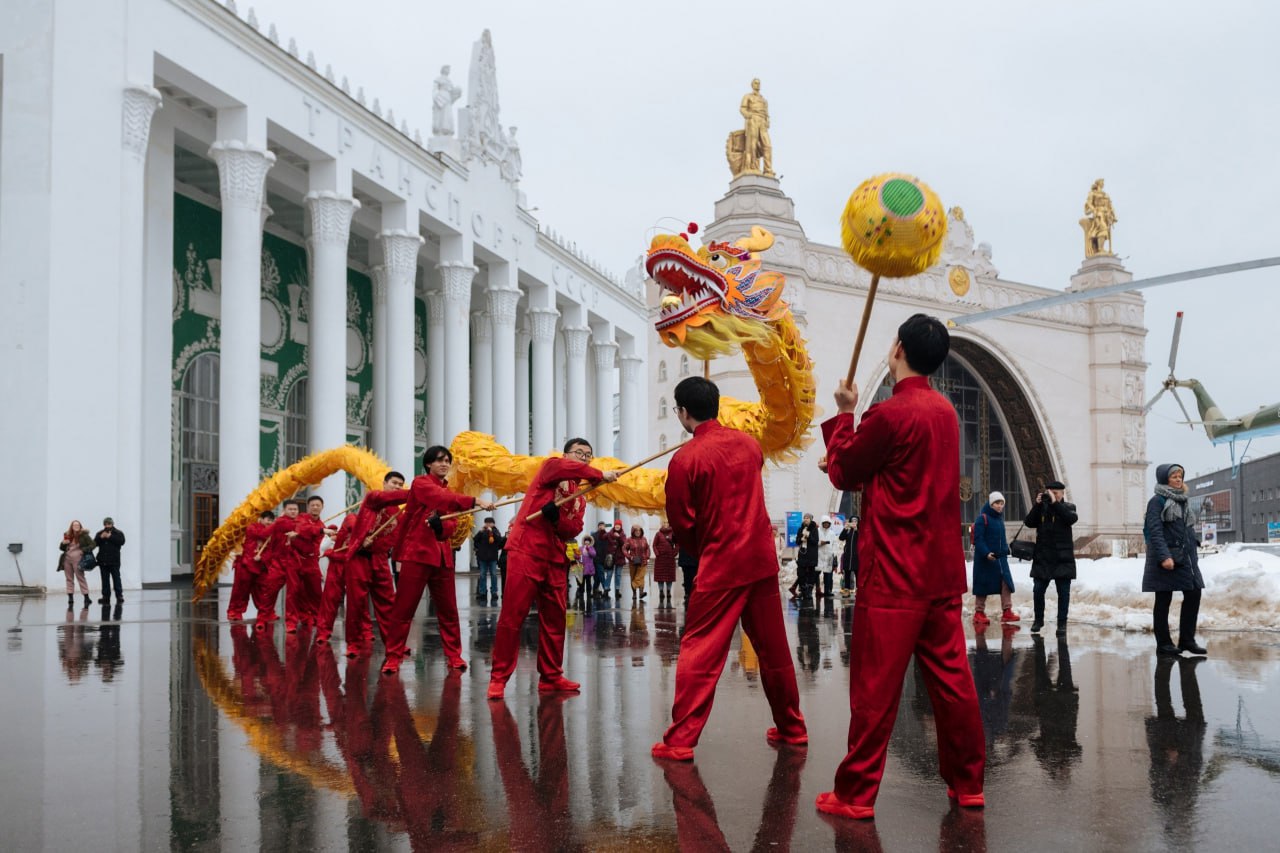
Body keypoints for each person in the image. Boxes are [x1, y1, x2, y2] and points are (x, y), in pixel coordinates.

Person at [816, 313, 985, 820]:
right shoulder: (945, 413)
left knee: (875, 689)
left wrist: (845, 418)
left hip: (893, 572)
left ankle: (856, 793)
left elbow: (846, 471)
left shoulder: (888, 414)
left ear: (897, 350)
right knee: (953, 684)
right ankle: (968, 782)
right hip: (939, 571)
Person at [652, 377, 806, 761]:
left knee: (700, 651)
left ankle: (682, 739)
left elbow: (682, 521)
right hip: (760, 559)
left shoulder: (685, 459)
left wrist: (702, 549)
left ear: (683, 413)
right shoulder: (749, 445)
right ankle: (792, 728)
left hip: (721, 563)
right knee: (774, 650)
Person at [488, 438, 618, 700]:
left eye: (588, 455)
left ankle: (551, 676)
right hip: (527, 549)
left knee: (555, 618)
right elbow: (567, 469)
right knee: (513, 614)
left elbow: (574, 529)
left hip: (555, 557)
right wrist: (599, 474)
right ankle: (498, 678)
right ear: (565, 454)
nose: (583, 458)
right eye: (578, 453)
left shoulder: (580, 498)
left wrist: (555, 517)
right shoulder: (551, 469)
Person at [382, 447, 493, 674]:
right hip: (417, 554)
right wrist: (474, 500)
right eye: (439, 460)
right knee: (404, 609)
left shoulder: (448, 492)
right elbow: (440, 498)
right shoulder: (421, 484)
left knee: (449, 611)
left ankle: (454, 656)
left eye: (447, 461)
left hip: (442, 557)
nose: (444, 464)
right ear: (428, 464)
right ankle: (393, 656)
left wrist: (441, 525)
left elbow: (450, 526)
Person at [1142, 463, 1206, 656]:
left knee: (1194, 593)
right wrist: (1164, 556)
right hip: (1167, 557)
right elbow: (1154, 530)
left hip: (1185, 557)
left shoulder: (1183, 500)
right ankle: (1164, 644)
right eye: (1174, 476)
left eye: (1180, 476)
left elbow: (1186, 526)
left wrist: (1193, 541)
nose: (1179, 479)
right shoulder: (1157, 501)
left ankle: (1187, 640)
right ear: (1164, 479)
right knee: (1163, 599)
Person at [344, 470, 407, 658]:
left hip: (380, 559)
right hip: (359, 557)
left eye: (400, 485)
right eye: (394, 483)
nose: (396, 487)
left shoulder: (399, 513)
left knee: (389, 603)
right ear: (385, 483)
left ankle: (393, 644)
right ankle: (353, 644)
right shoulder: (373, 498)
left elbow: (398, 537)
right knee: (356, 604)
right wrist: (362, 539)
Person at [1025, 479, 1077, 637]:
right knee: (1038, 590)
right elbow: (1028, 522)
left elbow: (1070, 519)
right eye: (1050, 493)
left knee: (1064, 593)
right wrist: (1037, 505)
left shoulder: (1068, 508)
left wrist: (1055, 503)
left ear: (1062, 494)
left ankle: (1062, 624)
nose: (1052, 496)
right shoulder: (1042, 508)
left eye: (1055, 493)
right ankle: (1038, 620)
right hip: (1043, 557)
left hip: (1063, 557)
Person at [254, 500, 302, 630]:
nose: (293, 511)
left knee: (292, 594)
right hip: (278, 562)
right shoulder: (280, 522)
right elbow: (263, 534)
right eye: (290, 509)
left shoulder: (299, 523)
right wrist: (275, 524)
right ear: (285, 510)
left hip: (293, 562)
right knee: (270, 591)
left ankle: (291, 623)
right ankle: (262, 619)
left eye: (295, 509)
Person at [971, 492, 1017, 626]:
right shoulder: (982, 518)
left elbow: (1001, 540)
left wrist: (1006, 549)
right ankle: (979, 613)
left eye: (1002, 503)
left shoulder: (999, 520)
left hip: (1000, 560)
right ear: (991, 504)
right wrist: (986, 553)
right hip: (985, 559)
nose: (1000, 506)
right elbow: (979, 539)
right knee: (982, 585)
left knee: (1006, 584)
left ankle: (1007, 612)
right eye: (997, 503)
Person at [284, 495, 329, 633]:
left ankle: (318, 618)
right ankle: (291, 622)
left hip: (310, 560)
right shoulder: (301, 518)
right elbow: (303, 529)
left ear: (322, 507)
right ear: (308, 507)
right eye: (313, 505)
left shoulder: (322, 525)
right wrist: (319, 531)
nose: (315, 507)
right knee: (293, 591)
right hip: (295, 558)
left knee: (316, 592)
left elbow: (315, 543)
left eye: (318, 505)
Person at [314, 511, 359, 644]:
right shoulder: (347, 525)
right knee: (329, 600)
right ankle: (323, 632)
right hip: (335, 568)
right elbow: (323, 548)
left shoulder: (363, 532)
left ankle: (360, 634)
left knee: (356, 601)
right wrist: (330, 552)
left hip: (352, 566)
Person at [227, 510, 273, 621]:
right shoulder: (252, 527)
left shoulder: (271, 533)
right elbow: (263, 534)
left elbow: (271, 549)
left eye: (272, 520)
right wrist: (275, 527)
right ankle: (234, 611)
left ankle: (266, 612)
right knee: (241, 590)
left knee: (262, 590)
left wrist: (262, 557)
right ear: (261, 519)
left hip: (260, 565)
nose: (270, 522)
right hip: (245, 564)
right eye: (268, 520)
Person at [58, 520, 95, 610]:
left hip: (78, 559)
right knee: (69, 578)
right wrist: (63, 543)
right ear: (71, 526)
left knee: (80, 577)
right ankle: (70, 597)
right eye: (74, 525)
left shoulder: (84, 535)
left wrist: (83, 550)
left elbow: (93, 544)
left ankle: (86, 597)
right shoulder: (67, 535)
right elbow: (61, 548)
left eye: (77, 525)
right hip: (67, 559)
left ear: (80, 526)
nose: (76, 526)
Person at [473, 517, 505, 604]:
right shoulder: (482, 532)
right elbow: (475, 539)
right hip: (482, 557)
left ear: (493, 524)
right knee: (482, 575)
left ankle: (494, 592)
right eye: (486, 523)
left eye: (490, 523)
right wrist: (480, 531)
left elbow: (499, 540)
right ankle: (483, 592)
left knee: (493, 575)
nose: (488, 524)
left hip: (492, 557)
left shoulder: (496, 531)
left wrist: (492, 531)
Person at [94, 517, 126, 605]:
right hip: (103, 561)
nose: (107, 525)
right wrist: (101, 537)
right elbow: (94, 543)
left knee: (116, 579)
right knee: (105, 580)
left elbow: (122, 541)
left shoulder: (118, 533)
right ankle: (105, 597)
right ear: (104, 524)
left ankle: (119, 596)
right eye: (106, 524)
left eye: (109, 524)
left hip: (114, 560)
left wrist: (110, 536)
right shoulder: (100, 533)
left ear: (112, 524)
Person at [793, 513, 820, 602]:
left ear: (811, 519)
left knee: (811, 574)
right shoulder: (800, 529)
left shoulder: (814, 529)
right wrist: (801, 539)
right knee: (801, 574)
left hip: (811, 555)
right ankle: (803, 591)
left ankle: (809, 592)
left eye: (807, 518)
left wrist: (809, 536)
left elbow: (815, 541)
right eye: (804, 518)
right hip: (802, 554)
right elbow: (797, 541)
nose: (806, 519)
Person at [652, 523, 678, 605]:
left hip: (670, 558)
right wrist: (657, 553)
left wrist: (674, 553)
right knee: (660, 577)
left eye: (666, 524)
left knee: (669, 576)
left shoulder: (673, 534)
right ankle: (661, 591)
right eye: (664, 524)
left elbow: (677, 544)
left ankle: (668, 591)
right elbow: (654, 545)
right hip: (660, 558)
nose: (665, 525)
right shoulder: (658, 534)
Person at [624, 524, 651, 604]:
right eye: (636, 531)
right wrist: (630, 557)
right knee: (633, 576)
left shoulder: (644, 539)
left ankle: (641, 592)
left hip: (643, 561)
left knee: (641, 576)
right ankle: (634, 594)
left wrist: (647, 556)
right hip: (633, 561)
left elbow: (647, 549)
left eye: (639, 531)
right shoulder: (629, 540)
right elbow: (624, 549)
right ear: (633, 531)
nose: (638, 532)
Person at [605, 521, 627, 600]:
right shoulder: (610, 533)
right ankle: (606, 590)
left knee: (618, 575)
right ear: (614, 526)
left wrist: (619, 537)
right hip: (610, 558)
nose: (617, 526)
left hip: (619, 557)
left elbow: (625, 544)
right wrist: (603, 531)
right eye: (616, 525)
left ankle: (617, 590)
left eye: (619, 525)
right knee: (609, 574)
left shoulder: (623, 535)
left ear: (621, 526)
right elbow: (603, 537)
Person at [839, 516, 859, 596]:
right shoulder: (848, 531)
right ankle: (846, 589)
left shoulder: (859, 530)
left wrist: (856, 529)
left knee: (858, 573)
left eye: (855, 521)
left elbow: (863, 538)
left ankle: (858, 590)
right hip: (848, 554)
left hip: (857, 555)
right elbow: (841, 538)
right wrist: (845, 528)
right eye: (852, 521)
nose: (854, 523)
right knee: (847, 572)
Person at [818, 516, 838, 598]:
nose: (826, 525)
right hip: (819, 555)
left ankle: (828, 590)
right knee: (816, 574)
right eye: (825, 523)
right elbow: (814, 541)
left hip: (829, 556)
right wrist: (820, 543)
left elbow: (835, 544)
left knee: (828, 575)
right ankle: (817, 590)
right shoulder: (818, 531)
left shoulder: (832, 533)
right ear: (822, 523)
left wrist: (834, 553)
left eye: (828, 523)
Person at [578, 534, 598, 610]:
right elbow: (577, 555)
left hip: (589, 568)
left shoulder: (591, 548)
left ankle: (589, 593)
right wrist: (576, 555)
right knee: (581, 582)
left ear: (590, 542)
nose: (586, 543)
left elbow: (593, 554)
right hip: (582, 568)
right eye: (585, 542)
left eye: (588, 542)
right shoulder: (580, 548)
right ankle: (581, 592)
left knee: (588, 581)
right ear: (584, 542)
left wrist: (589, 549)